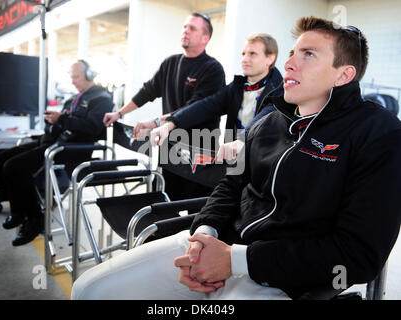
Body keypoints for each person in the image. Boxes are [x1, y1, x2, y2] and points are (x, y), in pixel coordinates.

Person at [71, 16, 401, 300]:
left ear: (343, 75)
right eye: (291, 54)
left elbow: (357, 254)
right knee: (88, 290)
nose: (289, 64)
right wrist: (205, 235)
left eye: (309, 54)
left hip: (285, 279)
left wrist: (237, 260)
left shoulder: (377, 133)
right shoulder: (270, 120)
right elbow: (231, 184)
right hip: (218, 247)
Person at [103, 13, 225, 200]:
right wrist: (119, 113)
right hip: (169, 150)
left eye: (192, 28)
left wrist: (154, 122)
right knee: (162, 208)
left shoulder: (213, 69)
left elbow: (195, 108)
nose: (185, 31)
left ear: (205, 38)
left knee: (196, 217)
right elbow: (148, 91)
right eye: (185, 26)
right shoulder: (170, 63)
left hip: (200, 155)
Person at [0, 60, 113, 246]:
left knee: (13, 167)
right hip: (56, 142)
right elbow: (66, 121)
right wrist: (53, 121)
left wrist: (62, 119)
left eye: (76, 77)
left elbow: (92, 128)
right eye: (71, 77)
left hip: (73, 149)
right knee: (0, 159)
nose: (72, 81)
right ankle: (18, 212)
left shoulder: (102, 98)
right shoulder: (74, 98)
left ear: (89, 75)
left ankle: (35, 219)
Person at [146, 33, 283, 160]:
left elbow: (264, 121)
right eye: (243, 54)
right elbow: (205, 106)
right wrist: (170, 124)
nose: (245, 59)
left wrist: (242, 141)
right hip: (233, 164)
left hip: (263, 168)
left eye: (252, 54)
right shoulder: (236, 87)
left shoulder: (281, 91)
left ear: (270, 59)